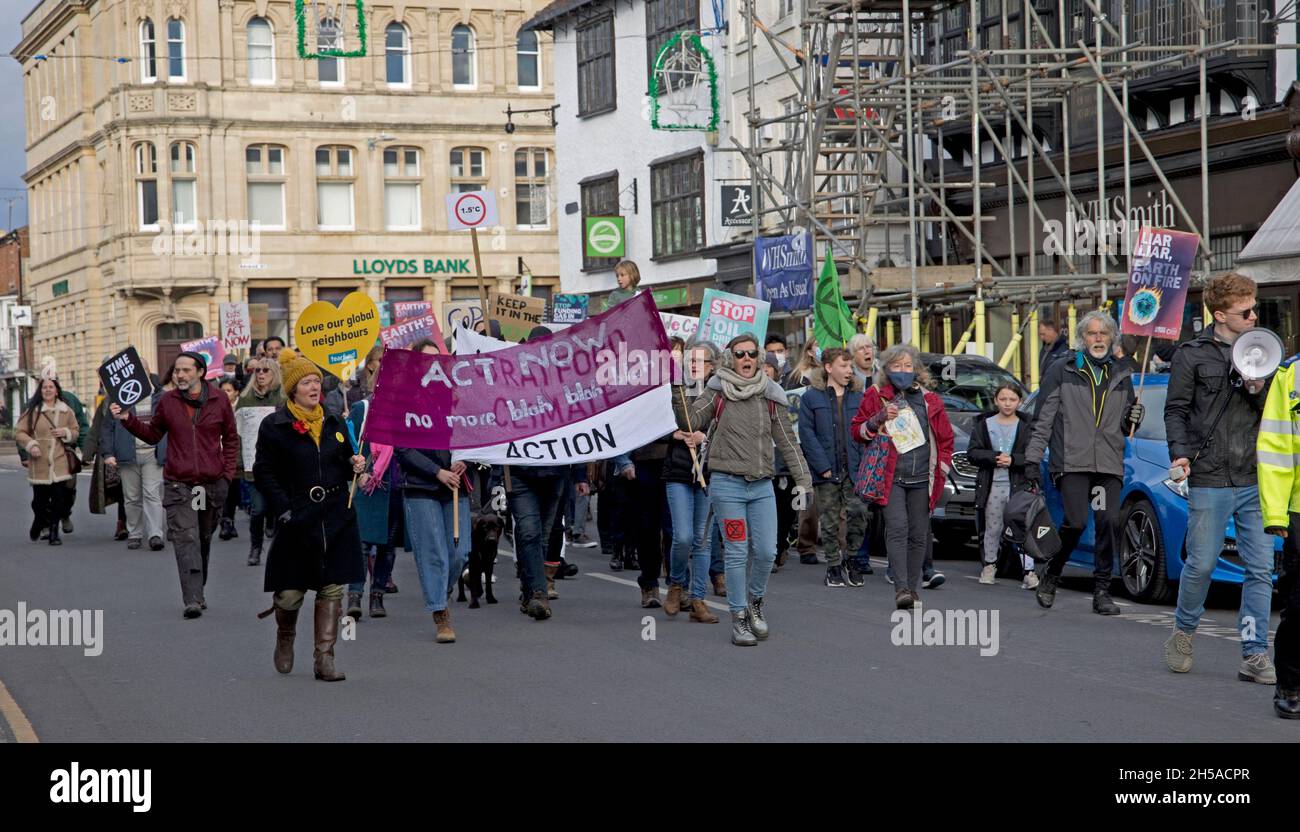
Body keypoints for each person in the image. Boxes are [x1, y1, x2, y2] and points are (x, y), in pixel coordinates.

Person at [1164, 273, 1276, 683]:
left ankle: (1254, 653)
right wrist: (1179, 452)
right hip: (1209, 475)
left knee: (1261, 568)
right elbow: (1175, 410)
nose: (1253, 317)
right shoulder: (1191, 356)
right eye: (1245, 312)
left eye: (1254, 309)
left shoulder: (1265, 351)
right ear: (1219, 315)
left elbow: (1274, 411)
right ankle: (1183, 631)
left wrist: (1258, 387)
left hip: (1253, 477)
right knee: (1202, 564)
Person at [684, 334, 812, 646]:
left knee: (768, 551)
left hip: (762, 486)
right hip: (727, 485)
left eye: (751, 354)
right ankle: (739, 617)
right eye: (739, 354)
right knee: (738, 551)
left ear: (758, 358)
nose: (746, 359)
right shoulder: (717, 389)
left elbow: (787, 442)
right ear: (731, 357)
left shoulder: (771, 394)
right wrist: (680, 397)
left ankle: (755, 602)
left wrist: (804, 481)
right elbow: (692, 419)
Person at [254, 349, 366, 680]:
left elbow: (349, 460)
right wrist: (283, 509)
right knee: (290, 594)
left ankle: (324, 658)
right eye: (306, 382)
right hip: (298, 516)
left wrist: (357, 464)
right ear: (292, 389)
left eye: (317, 381)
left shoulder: (334, 422)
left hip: (335, 514)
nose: (314, 387)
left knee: (332, 588)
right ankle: (285, 636)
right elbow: (264, 472)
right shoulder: (274, 426)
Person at [1025, 310, 1144, 614]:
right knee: (1076, 522)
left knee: (1106, 521)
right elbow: (1043, 420)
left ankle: (1102, 591)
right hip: (1072, 462)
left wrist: (1134, 418)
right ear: (1082, 338)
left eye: (1103, 333)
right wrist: (1031, 461)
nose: (1098, 339)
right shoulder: (1062, 369)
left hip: (1106, 464)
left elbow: (1126, 425)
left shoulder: (1121, 373)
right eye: (1092, 334)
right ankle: (1052, 572)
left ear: (1112, 338)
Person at [111, 351, 240, 618]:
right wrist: (128, 420)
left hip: (208, 485)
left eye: (185, 370)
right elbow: (153, 433)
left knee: (203, 537)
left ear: (200, 372)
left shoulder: (219, 401)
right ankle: (192, 598)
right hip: (180, 484)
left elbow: (230, 439)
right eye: (177, 370)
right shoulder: (168, 402)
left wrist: (227, 475)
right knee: (186, 538)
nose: (179, 375)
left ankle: (198, 587)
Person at [851, 344, 955, 609]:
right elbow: (857, 431)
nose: (903, 371)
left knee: (919, 535)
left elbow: (945, 440)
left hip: (923, 478)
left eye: (908, 366)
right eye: (897, 366)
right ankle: (901, 589)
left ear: (916, 369)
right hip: (892, 478)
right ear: (886, 369)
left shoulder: (930, 399)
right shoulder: (876, 395)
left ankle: (913, 587)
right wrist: (878, 419)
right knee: (897, 530)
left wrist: (941, 470)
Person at [394, 338, 472, 643]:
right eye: (425, 359)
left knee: (460, 553)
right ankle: (440, 613)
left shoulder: (455, 396)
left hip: (455, 484)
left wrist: (464, 458)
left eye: (435, 359)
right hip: (422, 486)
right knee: (434, 554)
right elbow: (403, 448)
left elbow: (472, 431)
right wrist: (435, 471)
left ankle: (441, 589)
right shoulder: (404, 399)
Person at [799, 347, 867, 588]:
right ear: (829, 368)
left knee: (858, 513)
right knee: (828, 519)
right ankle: (833, 565)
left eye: (851, 366)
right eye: (843, 365)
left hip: (855, 467)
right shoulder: (811, 398)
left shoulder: (860, 396)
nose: (849, 371)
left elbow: (866, 431)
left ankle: (852, 560)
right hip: (827, 468)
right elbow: (807, 434)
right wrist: (822, 465)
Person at [664, 341, 720, 622]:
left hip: (707, 473)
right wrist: (674, 434)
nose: (695, 364)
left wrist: (704, 437)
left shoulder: (720, 394)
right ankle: (676, 583)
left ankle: (698, 599)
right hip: (678, 471)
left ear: (713, 365)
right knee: (683, 535)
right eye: (692, 359)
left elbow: (726, 428)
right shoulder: (675, 389)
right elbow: (649, 426)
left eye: (701, 360)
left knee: (702, 539)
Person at [1257, 354, 1300, 718]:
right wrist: (1275, 510)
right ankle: (1291, 684)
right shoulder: (1291, 373)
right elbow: (1274, 447)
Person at [966, 382, 1035, 588]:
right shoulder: (984, 424)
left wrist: (1014, 460)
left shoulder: (1027, 426)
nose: (1007, 404)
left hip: (1019, 485)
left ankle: (1029, 571)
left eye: (1012, 399)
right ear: (996, 401)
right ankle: (989, 565)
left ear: (1020, 402)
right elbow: (973, 453)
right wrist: (994, 457)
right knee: (993, 527)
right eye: (1003, 399)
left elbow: (1033, 455)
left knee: (1023, 527)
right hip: (993, 485)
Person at [102, 380, 167, 552]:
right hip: (127, 453)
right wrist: (107, 453)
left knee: (152, 494)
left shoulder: (161, 397)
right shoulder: (119, 397)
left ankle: (155, 534)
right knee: (131, 497)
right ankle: (135, 534)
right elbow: (107, 427)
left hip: (153, 452)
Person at [235, 356, 286, 566]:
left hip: (279, 466)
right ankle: (256, 547)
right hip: (253, 464)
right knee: (258, 509)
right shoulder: (245, 399)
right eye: (257, 371)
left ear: (274, 373)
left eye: (266, 370)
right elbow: (237, 433)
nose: (261, 374)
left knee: (279, 508)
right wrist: (237, 462)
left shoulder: (283, 400)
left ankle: (279, 550)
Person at [16, 378, 79, 545]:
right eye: (45, 388)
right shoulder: (32, 412)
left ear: (57, 390)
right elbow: (20, 432)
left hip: (59, 460)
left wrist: (65, 432)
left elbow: (75, 431)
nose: (48, 390)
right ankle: (38, 521)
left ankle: (53, 532)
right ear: (40, 391)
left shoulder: (66, 411)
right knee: (39, 501)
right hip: (40, 461)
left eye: (51, 387)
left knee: (59, 498)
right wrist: (31, 445)